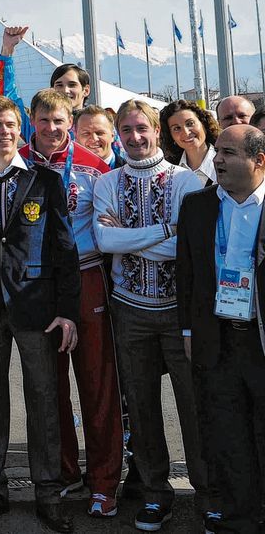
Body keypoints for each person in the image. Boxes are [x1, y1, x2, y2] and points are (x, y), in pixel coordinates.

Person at [0, 99, 79, 533]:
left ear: (21, 130)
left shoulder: (45, 180)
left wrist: (66, 311)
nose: (3, 131)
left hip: (35, 307)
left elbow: (64, 249)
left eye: (9, 124)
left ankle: (48, 491)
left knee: (43, 400)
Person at [93, 99, 209, 531]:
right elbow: (104, 241)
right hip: (130, 309)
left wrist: (131, 237)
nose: (135, 138)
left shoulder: (185, 181)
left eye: (142, 129)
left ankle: (207, 494)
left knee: (194, 406)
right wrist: (163, 231)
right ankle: (155, 493)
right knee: (141, 407)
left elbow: (187, 250)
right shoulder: (106, 182)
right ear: (118, 134)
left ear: (157, 131)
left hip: (179, 309)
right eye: (126, 130)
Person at [21, 90, 121, 518]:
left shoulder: (97, 165)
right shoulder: (17, 160)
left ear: (70, 121)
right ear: (32, 121)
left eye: (58, 121)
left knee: (97, 384)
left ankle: (104, 481)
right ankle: (63, 473)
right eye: (42, 121)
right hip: (37, 283)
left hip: (86, 276)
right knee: (49, 388)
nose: (50, 129)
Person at [176, 124, 265, 534]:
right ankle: (236, 519)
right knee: (228, 436)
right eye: (218, 151)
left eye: (228, 152)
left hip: (260, 343)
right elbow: (187, 274)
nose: (218, 160)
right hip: (217, 340)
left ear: (258, 161)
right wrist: (189, 332)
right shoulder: (198, 205)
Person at [159, 99, 219, 185]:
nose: (186, 133)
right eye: (176, 128)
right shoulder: (168, 172)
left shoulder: (226, 161)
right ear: (170, 135)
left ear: (203, 123)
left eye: (190, 123)